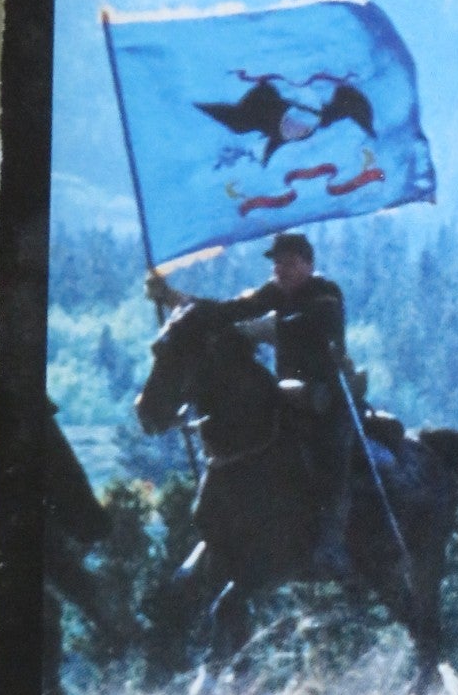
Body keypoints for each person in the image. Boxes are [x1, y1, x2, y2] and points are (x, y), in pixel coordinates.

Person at [148, 231, 356, 579]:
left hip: (326, 394)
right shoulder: (273, 292)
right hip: (287, 392)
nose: (281, 270)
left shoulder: (325, 294)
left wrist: (257, 328)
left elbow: (306, 327)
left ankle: (330, 540)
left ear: (309, 264)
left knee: (333, 453)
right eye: (277, 264)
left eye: (290, 263)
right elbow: (228, 311)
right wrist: (174, 300)